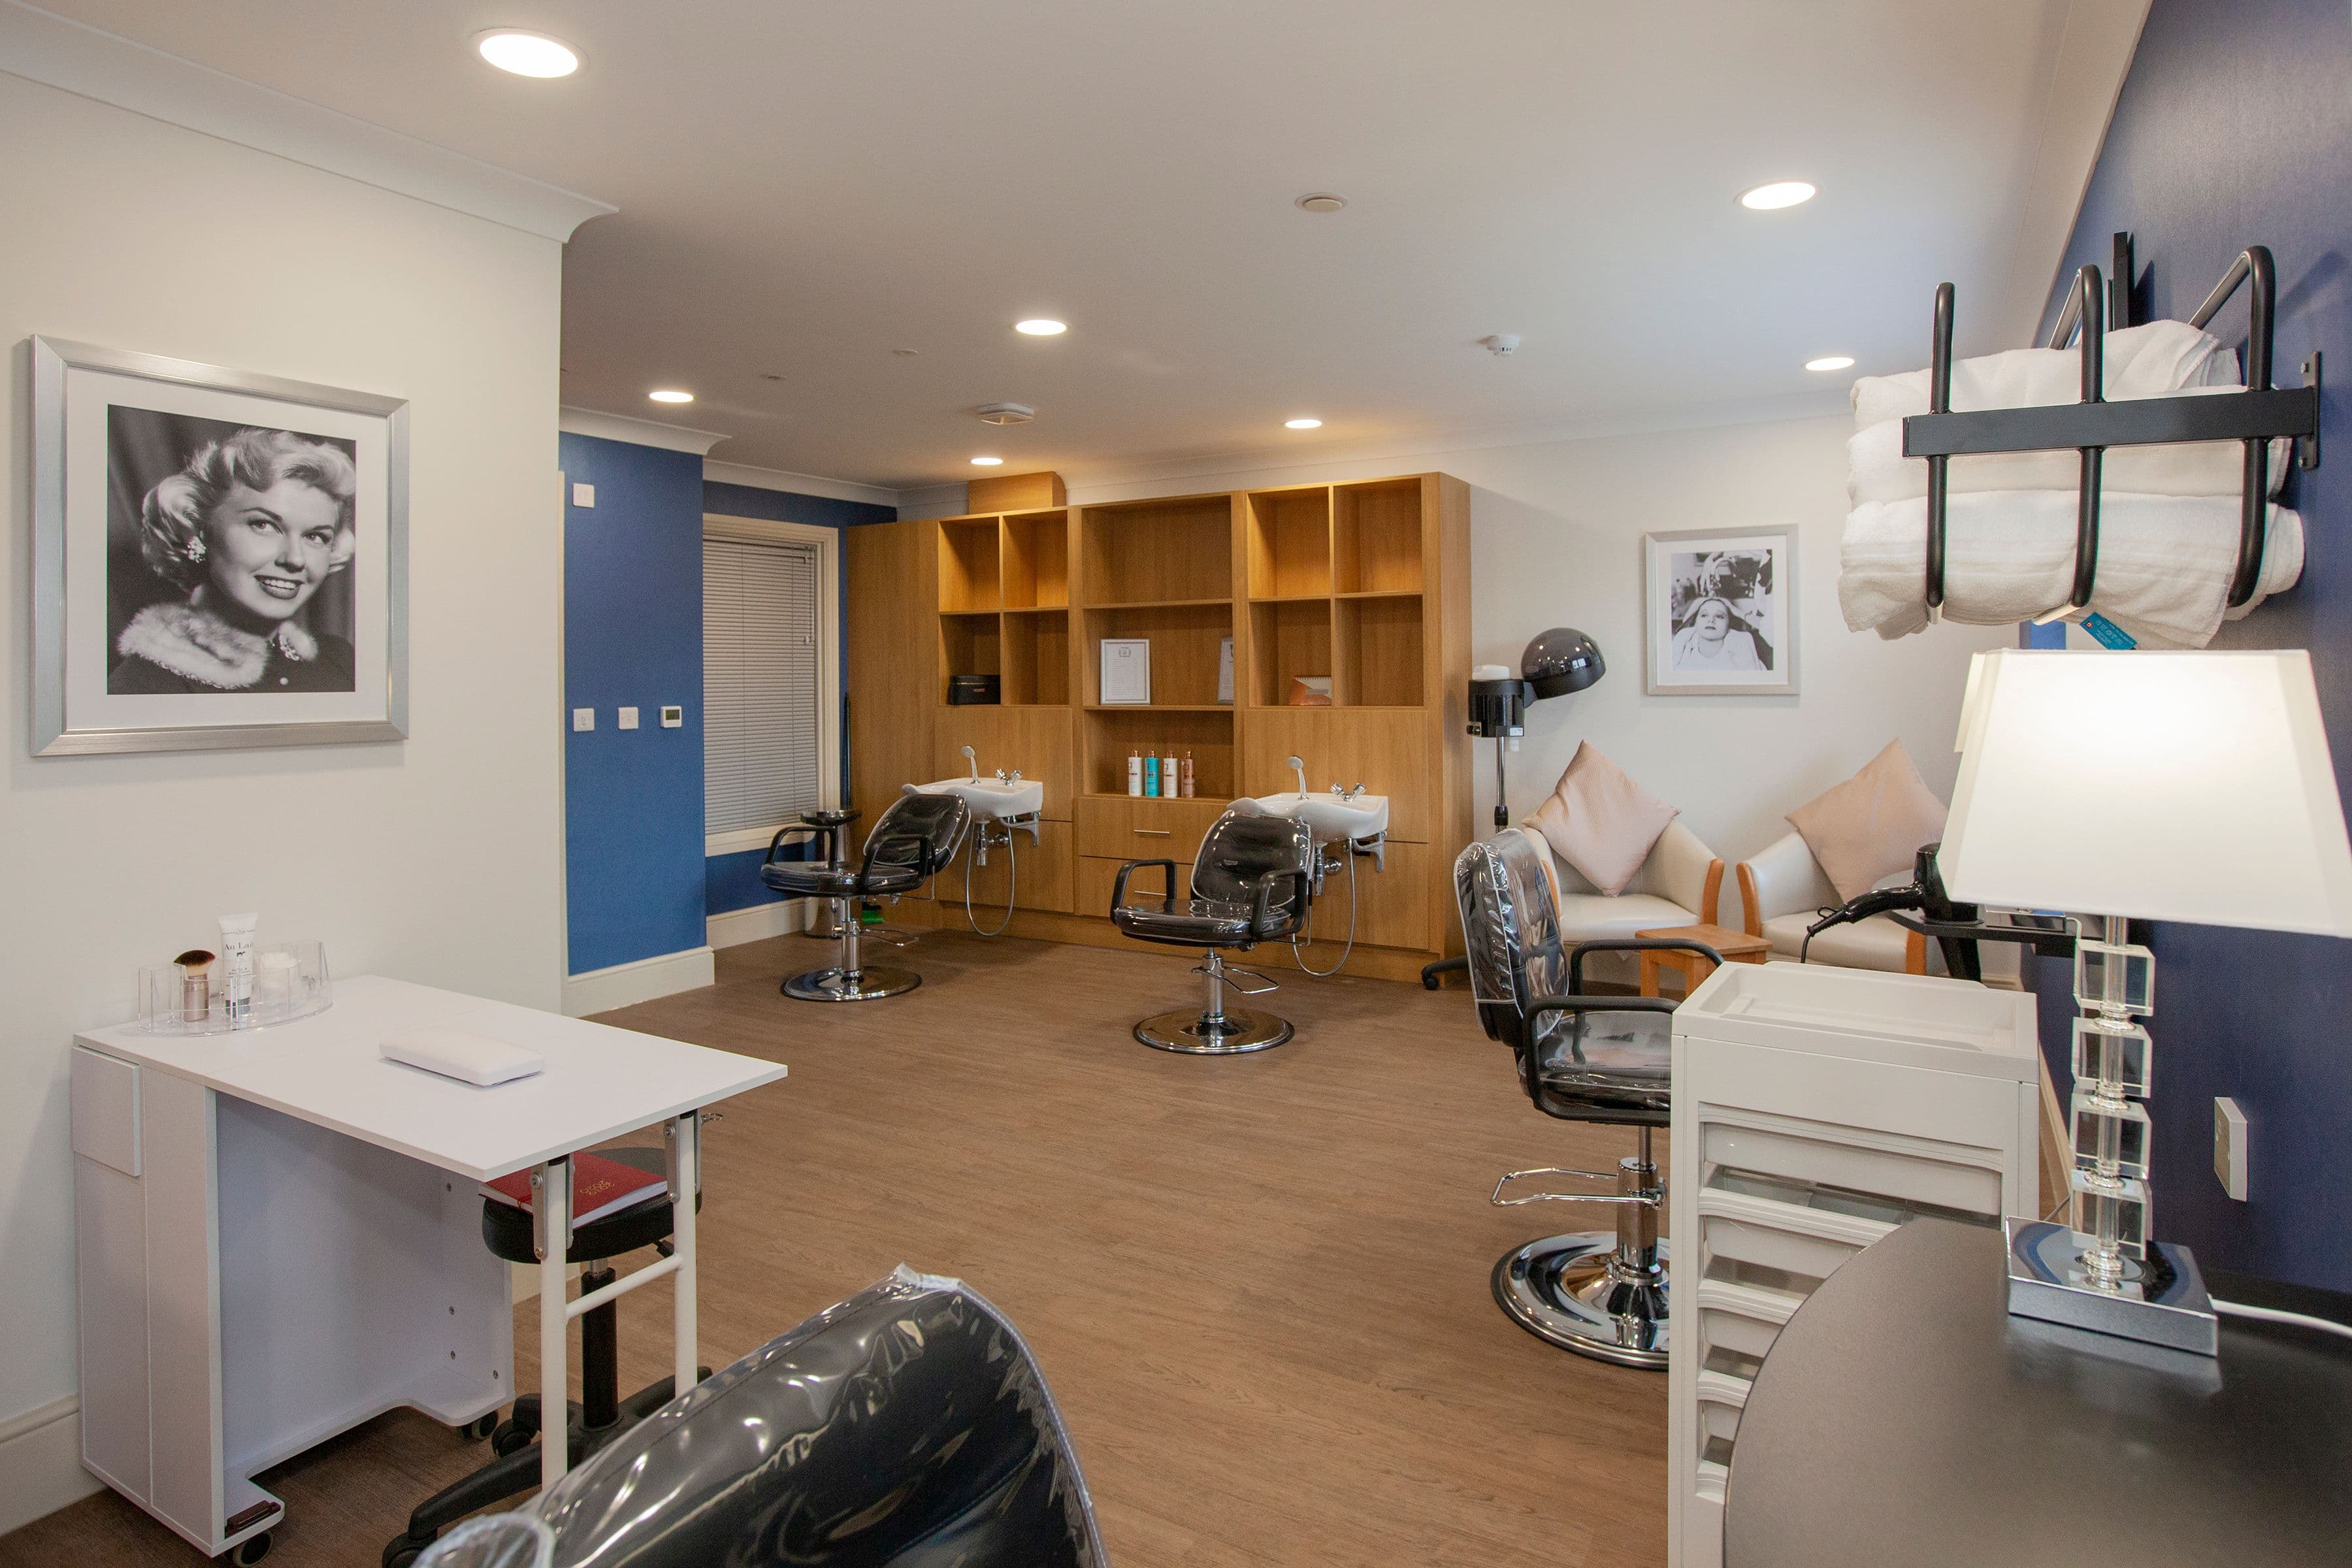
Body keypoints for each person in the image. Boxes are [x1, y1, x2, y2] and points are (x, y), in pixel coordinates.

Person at [110, 427, 358, 693]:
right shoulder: (145, 684)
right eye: (263, 525)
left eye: (316, 537)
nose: (296, 559)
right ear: (198, 530)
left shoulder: (340, 660)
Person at [1671, 594, 1764, 672]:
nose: (1711, 620)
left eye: (1719, 616)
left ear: (1729, 625)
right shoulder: (1683, 660)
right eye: (1704, 615)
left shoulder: (1742, 659)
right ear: (1695, 622)